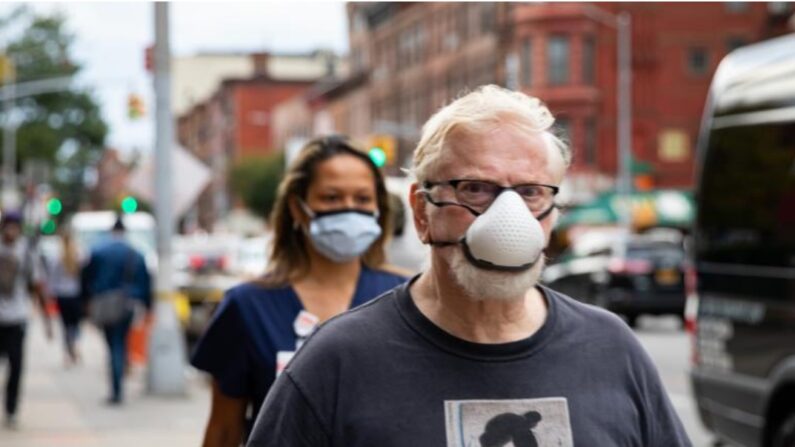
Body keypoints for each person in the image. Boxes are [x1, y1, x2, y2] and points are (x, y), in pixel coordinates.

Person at [248, 85, 691, 446]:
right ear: (422, 212)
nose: (509, 216)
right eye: (476, 189)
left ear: (553, 211)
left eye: (532, 192)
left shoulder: (612, 349)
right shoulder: (337, 362)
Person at [191, 135, 408, 447]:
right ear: (298, 207)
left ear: (378, 208)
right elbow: (223, 430)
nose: (349, 210)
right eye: (331, 198)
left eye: (362, 199)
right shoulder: (248, 305)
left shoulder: (406, 298)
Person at [81, 216, 152, 405]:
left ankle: (116, 389)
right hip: (127, 304)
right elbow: (145, 281)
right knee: (121, 343)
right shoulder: (135, 253)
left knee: (112, 345)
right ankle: (118, 385)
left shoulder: (99, 251)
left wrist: (86, 301)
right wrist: (147, 305)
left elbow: (86, 278)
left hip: (105, 303)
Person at [0, 211, 48, 429]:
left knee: (16, 367)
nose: (11, 230)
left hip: (17, 318)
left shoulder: (27, 252)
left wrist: (46, 319)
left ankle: (11, 409)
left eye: (14, 226)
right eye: (7, 226)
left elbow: (37, 286)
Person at [49, 227, 84, 365]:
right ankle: (74, 344)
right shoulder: (78, 256)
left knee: (65, 325)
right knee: (75, 324)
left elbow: (53, 279)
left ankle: (68, 350)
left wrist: (52, 294)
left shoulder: (57, 257)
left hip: (62, 295)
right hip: (75, 294)